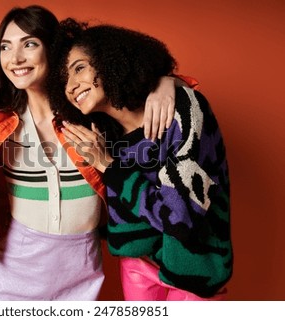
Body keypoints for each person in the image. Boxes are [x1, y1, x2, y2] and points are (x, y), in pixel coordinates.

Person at [0, 5, 189, 300]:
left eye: (30, 44)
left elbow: (180, 96)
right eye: (6, 47)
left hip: (83, 271)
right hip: (11, 275)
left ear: (53, 48)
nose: (16, 58)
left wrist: (167, 82)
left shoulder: (91, 108)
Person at [52, 18, 233, 300]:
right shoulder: (102, 136)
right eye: (64, 80)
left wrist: (108, 166)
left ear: (111, 60)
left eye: (79, 68)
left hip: (193, 270)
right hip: (136, 267)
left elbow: (179, 219)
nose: (71, 86)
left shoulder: (183, 110)